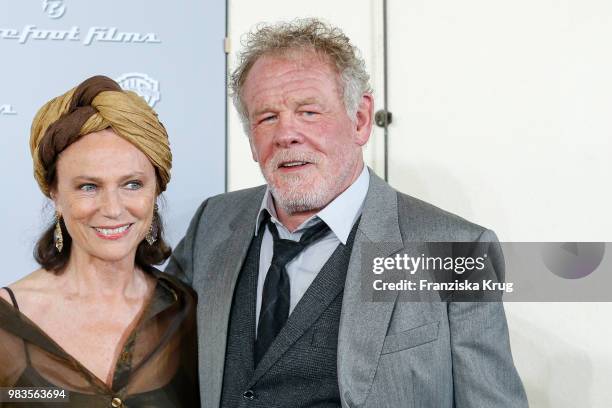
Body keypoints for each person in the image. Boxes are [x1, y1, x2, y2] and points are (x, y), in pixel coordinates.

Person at [167, 19, 528, 407]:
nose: (286, 134)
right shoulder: (213, 223)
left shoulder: (454, 250)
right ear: (251, 139)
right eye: (267, 117)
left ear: (360, 119)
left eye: (308, 112)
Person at [0, 76, 199, 407]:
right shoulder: (6, 320)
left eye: (132, 184)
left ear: (156, 189)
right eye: (88, 187)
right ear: (55, 196)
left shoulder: (188, 311)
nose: (112, 209)